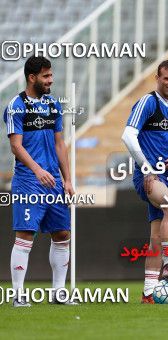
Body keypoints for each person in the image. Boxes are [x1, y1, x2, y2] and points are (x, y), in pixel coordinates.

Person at [3, 56, 74, 307]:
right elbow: (15, 146)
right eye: (46, 76)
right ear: (32, 78)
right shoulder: (16, 106)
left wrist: (67, 179)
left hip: (54, 181)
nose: (50, 80)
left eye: (51, 75)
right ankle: (19, 295)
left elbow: (59, 144)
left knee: (62, 233)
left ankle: (58, 293)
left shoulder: (53, 104)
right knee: (25, 235)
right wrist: (37, 170)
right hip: (28, 180)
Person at [122, 59, 168, 304]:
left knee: (155, 238)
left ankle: (148, 293)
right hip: (149, 175)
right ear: (157, 78)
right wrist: (147, 167)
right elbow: (128, 136)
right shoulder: (148, 102)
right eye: (167, 79)